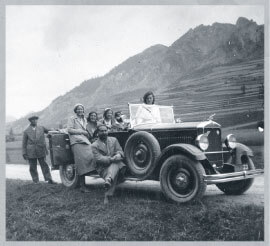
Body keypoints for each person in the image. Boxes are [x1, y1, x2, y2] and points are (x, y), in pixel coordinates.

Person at [91, 124, 126, 205]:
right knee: (115, 165)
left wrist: (119, 155)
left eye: (105, 131)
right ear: (97, 133)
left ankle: (108, 181)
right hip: (103, 168)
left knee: (116, 165)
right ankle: (108, 189)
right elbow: (99, 158)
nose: (104, 133)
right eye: (101, 131)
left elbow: (120, 150)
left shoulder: (114, 140)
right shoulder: (94, 145)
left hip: (119, 166)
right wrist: (112, 159)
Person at [67, 103, 96, 193]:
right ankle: (82, 186)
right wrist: (81, 132)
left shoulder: (84, 119)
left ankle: (88, 179)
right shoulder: (72, 118)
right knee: (81, 162)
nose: (80, 111)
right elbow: (69, 129)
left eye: (81, 109)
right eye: (78, 109)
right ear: (75, 110)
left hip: (85, 141)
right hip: (76, 141)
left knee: (91, 156)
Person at [22, 116, 56, 184]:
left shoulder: (41, 128)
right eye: (32, 120)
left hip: (41, 149)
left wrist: (57, 130)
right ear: (30, 121)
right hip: (31, 151)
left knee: (44, 165)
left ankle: (49, 179)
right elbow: (24, 143)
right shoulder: (26, 131)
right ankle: (35, 181)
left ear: (37, 120)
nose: (34, 121)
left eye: (35, 120)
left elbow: (50, 131)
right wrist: (24, 153)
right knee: (32, 167)